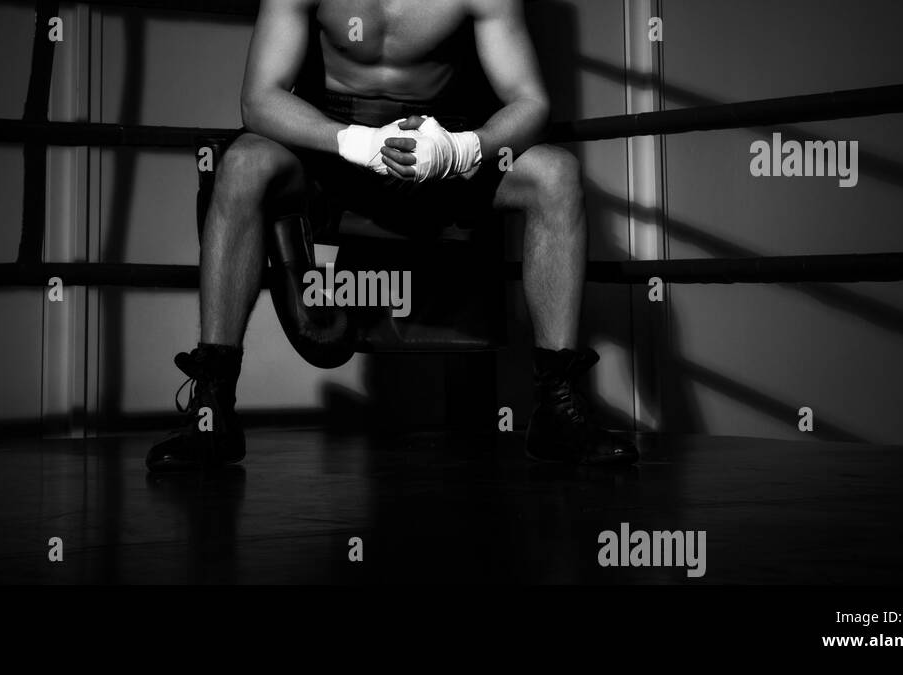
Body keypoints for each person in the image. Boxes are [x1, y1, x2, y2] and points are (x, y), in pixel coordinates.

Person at [147, 0, 638, 471]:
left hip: (437, 150)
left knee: (557, 175)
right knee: (241, 164)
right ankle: (213, 411)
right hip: (331, 151)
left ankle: (555, 411)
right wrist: (353, 142)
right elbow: (259, 99)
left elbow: (530, 101)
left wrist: (463, 149)